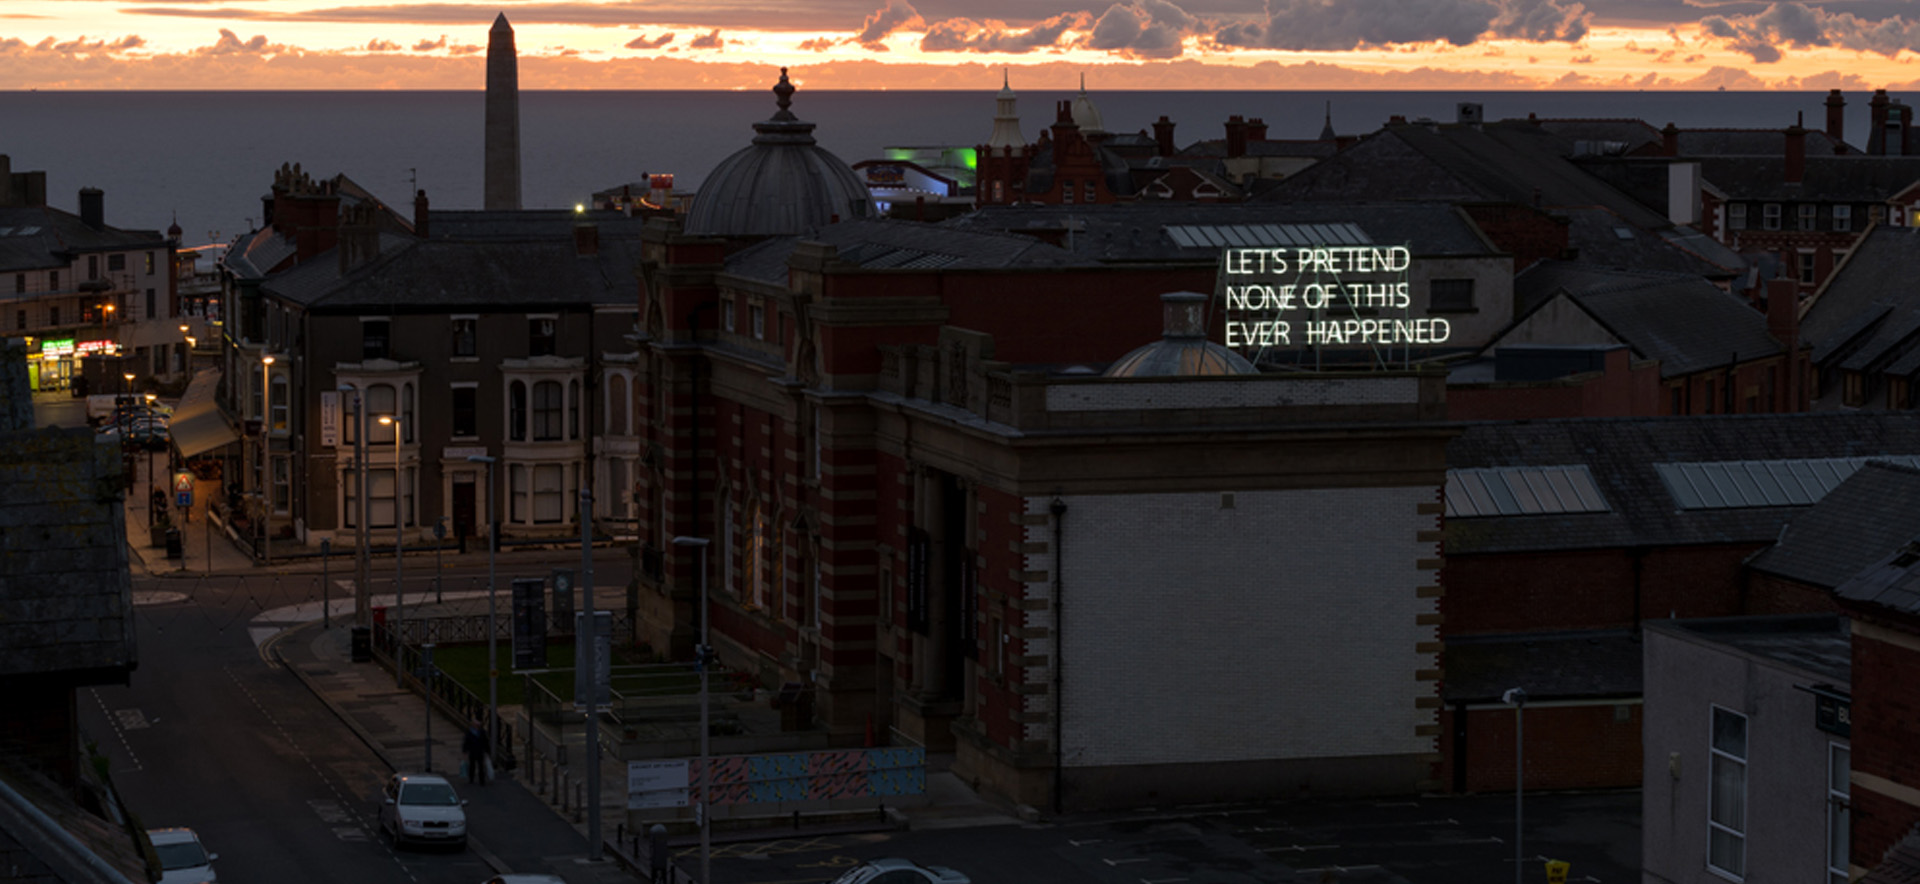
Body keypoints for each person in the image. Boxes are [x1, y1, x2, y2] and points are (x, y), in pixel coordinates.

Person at [462, 718, 488, 786]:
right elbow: (466, 741)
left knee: (480, 766)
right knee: (472, 766)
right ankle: (471, 779)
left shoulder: (482, 732)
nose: (477, 726)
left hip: (479, 751)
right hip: (473, 751)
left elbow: (485, 741)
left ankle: (481, 780)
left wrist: (487, 750)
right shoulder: (470, 732)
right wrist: (465, 750)